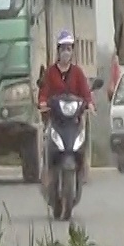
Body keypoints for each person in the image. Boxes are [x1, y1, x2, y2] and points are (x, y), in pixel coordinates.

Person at [37, 29, 94, 188]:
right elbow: (44, 92)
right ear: (58, 51)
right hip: (56, 118)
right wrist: (42, 102)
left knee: (83, 135)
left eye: (69, 49)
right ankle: (46, 170)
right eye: (63, 48)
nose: (66, 52)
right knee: (46, 136)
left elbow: (85, 92)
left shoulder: (77, 72)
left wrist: (89, 103)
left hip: (73, 119)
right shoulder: (50, 72)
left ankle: (83, 167)